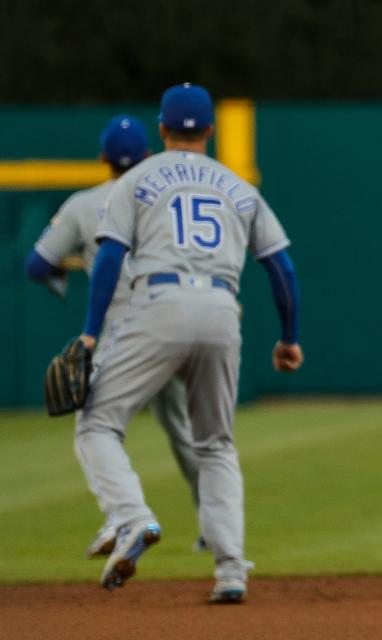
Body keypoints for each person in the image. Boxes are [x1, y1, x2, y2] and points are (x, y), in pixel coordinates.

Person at [73, 83, 303, 603]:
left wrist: (91, 331)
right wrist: (289, 337)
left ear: (162, 130)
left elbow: (110, 257)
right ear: (212, 131)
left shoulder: (135, 179)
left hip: (158, 302)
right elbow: (281, 267)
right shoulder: (239, 186)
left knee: (97, 423)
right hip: (224, 310)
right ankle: (230, 571)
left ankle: (131, 517)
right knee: (216, 443)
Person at [25, 115, 206, 558]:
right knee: (186, 434)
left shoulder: (83, 205)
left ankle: (124, 517)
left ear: (103, 158)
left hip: (123, 335)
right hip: (179, 323)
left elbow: (36, 263)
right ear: (147, 154)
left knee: (97, 427)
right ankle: (216, 529)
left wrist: (59, 277)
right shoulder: (167, 197)